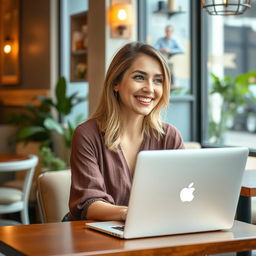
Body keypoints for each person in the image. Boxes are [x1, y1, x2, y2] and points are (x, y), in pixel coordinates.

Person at [67, 42, 184, 222]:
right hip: (96, 239)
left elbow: (184, 193)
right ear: (116, 83)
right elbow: (89, 202)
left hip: (153, 234)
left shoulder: (169, 137)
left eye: (158, 80)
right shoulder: (87, 135)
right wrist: (129, 214)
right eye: (139, 77)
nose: (150, 89)